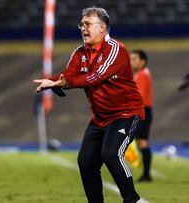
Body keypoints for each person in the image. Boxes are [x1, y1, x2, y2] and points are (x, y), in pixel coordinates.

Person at [34, 7, 144, 203]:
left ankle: (132, 200)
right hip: (100, 118)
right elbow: (69, 76)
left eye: (88, 24)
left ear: (102, 28)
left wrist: (62, 83)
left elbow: (95, 77)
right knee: (85, 162)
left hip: (125, 114)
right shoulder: (80, 52)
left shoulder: (116, 49)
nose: (83, 28)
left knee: (111, 154)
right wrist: (53, 81)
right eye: (81, 25)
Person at [130, 50, 154, 182]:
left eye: (134, 59)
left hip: (142, 112)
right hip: (142, 111)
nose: (131, 61)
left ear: (142, 61)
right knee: (141, 142)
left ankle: (146, 174)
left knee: (142, 142)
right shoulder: (140, 74)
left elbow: (139, 97)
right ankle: (146, 173)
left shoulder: (143, 75)